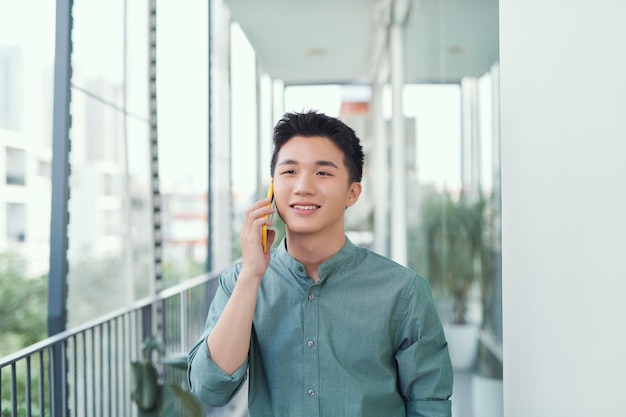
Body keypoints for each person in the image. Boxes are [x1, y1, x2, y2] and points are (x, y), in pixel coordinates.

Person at [187, 110, 453, 416]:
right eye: (289, 172)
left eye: (322, 173)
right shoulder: (240, 281)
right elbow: (210, 388)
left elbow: (430, 403)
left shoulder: (404, 291)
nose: (303, 186)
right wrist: (251, 276)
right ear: (273, 188)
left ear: (352, 192)